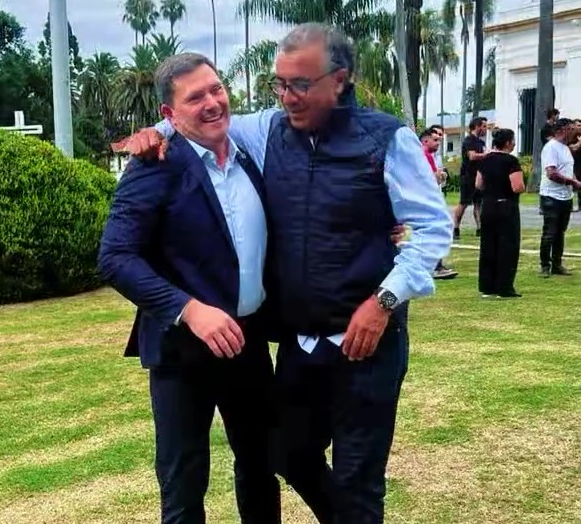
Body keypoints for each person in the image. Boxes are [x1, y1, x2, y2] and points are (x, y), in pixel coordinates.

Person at [125, 23, 453, 524]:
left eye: (300, 84)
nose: (286, 96)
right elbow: (201, 119)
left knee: (358, 479)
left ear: (339, 79)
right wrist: (157, 132)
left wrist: (384, 301)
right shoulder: (268, 130)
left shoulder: (388, 139)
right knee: (287, 454)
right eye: (279, 84)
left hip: (366, 342)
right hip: (300, 345)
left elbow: (432, 228)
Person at [98, 52, 281, 524]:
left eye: (216, 89)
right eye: (195, 97)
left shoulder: (249, 159)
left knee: (261, 469)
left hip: (248, 342)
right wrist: (190, 309)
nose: (212, 102)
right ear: (170, 113)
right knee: (184, 483)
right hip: (182, 352)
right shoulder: (154, 166)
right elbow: (115, 257)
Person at [475, 129, 525, 298]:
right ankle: (504, 286)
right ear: (508, 142)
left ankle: (487, 286)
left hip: (488, 206)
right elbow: (517, 186)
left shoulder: (485, 160)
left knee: (488, 246)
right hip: (506, 206)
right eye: (513, 140)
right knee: (507, 246)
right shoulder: (511, 161)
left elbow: (479, 184)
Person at [539, 118, 581, 278]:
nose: (575, 133)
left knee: (560, 232)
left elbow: (569, 169)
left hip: (565, 196)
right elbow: (551, 173)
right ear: (563, 130)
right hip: (551, 196)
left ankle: (557, 264)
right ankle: (545, 265)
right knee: (549, 232)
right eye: (572, 129)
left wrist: (574, 181)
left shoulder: (566, 148)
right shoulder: (551, 147)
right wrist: (572, 182)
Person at [420, 128, 458, 280]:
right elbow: (435, 179)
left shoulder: (416, 155)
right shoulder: (426, 155)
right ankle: (436, 267)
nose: (438, 143)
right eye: (435, 140)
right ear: (425, 141)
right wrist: (441, 175)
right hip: (428, 200)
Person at [453, 117, 488, 240]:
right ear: (477, 126)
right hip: (468, 176)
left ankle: (480, 228)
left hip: (479, 176)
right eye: (484, 126)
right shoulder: (469, 141)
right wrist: (487, 155)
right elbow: (472, 156)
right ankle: (455, 228)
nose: (485, 129)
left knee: (478, 203)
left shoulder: (481, 143)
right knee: (464, 202)